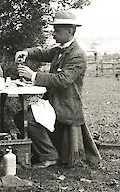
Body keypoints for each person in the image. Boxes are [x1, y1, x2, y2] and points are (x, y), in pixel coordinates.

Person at [14, 10, 101, 168]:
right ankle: (40, 151)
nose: (53, 33)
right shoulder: (60, 49)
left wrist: (33, 76)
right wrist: (26, 52)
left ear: (70, 30)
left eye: (57, 30)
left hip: (66, 106)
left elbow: (63, 80)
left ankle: (49, 156)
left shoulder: (78, 55)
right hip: (52, 102)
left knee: (29, 118)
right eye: (54, 29)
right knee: (21, 116)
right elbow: (42, 52)